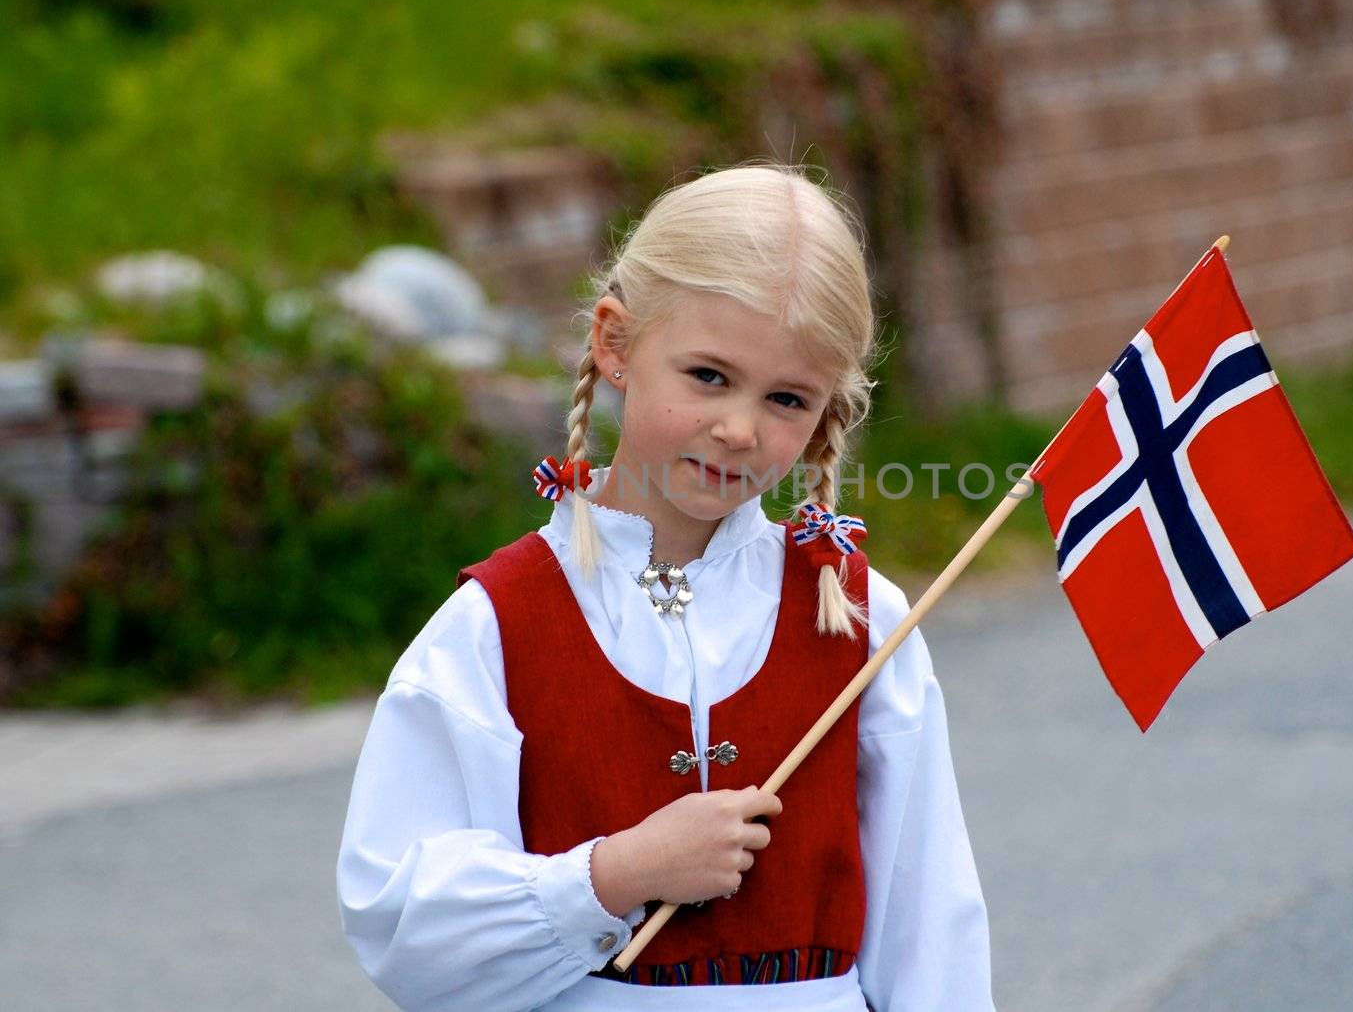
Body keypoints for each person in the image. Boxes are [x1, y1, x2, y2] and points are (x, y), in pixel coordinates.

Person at [335, 162, 995, 1011]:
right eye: (709, 376)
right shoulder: (496, 623)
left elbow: (930, 915)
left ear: (829, 411)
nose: (739, 427)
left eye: (788, 398)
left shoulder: (864, 622)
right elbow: (405, 930)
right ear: (615, 343)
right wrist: (613, 876)